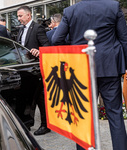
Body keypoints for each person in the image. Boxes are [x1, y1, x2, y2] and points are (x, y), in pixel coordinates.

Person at [52, 0, 127, 150]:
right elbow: (124, 39)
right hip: (109, 66)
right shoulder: (113, 6)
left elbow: (56, 39)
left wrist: (75, 43)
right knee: (115, 113)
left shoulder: (70, 11)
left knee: (82, 115)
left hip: (81, 68)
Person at [17, 5, 51, 136]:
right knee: (28, 97)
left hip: (36, 69)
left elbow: (46, 45)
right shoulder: (21, 30)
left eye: (20, 16)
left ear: (28, 15)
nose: (18, 18)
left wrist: (39, 50)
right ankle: (27, 123)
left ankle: (45, 125)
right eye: (18, 16)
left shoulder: (38, 28)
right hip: (24, 69)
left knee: (40, 98)